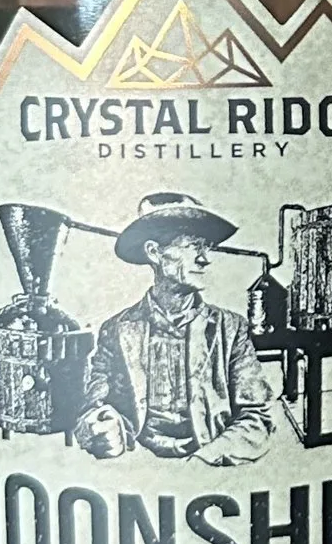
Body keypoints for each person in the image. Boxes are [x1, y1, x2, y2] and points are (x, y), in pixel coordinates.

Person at [73, 195, 278, 463]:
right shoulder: (117, 330)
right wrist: (102, 427)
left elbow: (259, 418)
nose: (205, 259)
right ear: (154, 252)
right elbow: (92, 408)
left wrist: (203, 460)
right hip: (137, 464)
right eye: (193, 246)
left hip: (210, 465)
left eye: (207, 247)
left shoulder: (230, 328)